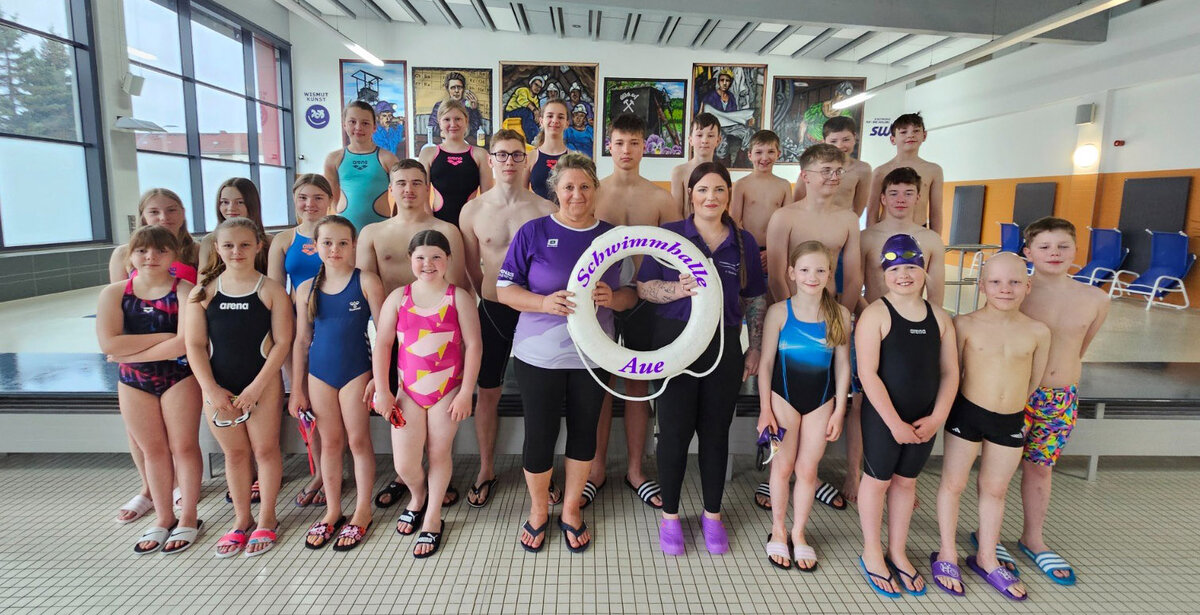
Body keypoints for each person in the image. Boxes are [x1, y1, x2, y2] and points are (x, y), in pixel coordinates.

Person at [497, 153, 637, 553]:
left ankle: (572, 509)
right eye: (569, 187)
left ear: (596, 190)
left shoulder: (614, 237)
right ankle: (539, 509)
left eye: (585, 186)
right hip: (538, 355)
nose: (577, 194)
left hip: (592, 356)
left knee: (584, 433)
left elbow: (631, 293)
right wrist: (542, 303)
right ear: (555, 191)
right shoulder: (534, 231)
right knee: (540, 434)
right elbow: (504, 290)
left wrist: (614, 298)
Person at [638, 161, 766, 556]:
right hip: (674, 342)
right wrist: (676, 290)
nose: (711, 197)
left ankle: (713, 515)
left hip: (722, 345)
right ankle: (670, 517)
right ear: (690, 195)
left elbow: (754, 298)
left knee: (715, 433)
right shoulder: (670, 236)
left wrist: (755, 346)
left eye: (719, 190)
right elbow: (643, 287)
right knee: (673, 433)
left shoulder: (742, 242)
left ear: (729, 196)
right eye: (703, 190)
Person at [932, 252, 1049, 599]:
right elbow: (951, 372)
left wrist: (1010, 405)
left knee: (996, 490)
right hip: (966, 414)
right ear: (982, 286)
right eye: (996, 282)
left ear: (1028, 287)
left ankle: (987, 556)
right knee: (953, 484)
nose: (1005, 289)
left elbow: (1034, 379)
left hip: (1010, 419)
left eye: (1014, 282)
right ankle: (947, 552)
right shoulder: (964, 324)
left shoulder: (1038, 331)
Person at [358, 159, 470, 509]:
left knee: (438, 422)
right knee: (400, 417)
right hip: (392, 335)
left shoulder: (447, 230)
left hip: (439, 338)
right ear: (390, 189)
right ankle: (406, 478)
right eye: (401, 183)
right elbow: (365, 287)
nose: (408, 189)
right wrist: (380, 369)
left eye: (416, 182)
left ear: (428, 187)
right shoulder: (372, 233)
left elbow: (460, 286)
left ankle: (436, 480)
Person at [854, 234, 958, 597]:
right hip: (885, 418)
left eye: (912, 267)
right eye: (895, 269)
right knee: (877, 481)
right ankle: (871, 550)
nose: (904, 275)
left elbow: (951, 373)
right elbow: (867, 374)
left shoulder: (940, 318)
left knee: (906, 483)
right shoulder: (876, 314)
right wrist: (894, 423)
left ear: (924, 271)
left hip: (924, 419)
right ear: (883, 274)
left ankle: (897, 550)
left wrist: (938, 417)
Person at [185, 217, 293, 558]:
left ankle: (267, 517)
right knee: (234, 454)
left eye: (245, 244)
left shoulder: (271, 290)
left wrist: (257, 387)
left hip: (262, 384)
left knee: (265, 450)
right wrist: (211, 389)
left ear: (258, 246)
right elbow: (194, 346)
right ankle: (242, 519)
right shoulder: (203, 293)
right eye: (229, 245)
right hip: (218, 385)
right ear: (217, 248)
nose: (237, 251)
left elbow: (283, 342)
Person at [458, 129, 555, 508]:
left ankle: (543, 471)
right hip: (493, 309)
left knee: (540, 394)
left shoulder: (546, 210)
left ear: (527, 160)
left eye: (517, 155)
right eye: (501, 154)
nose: (509, 161)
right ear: (490, 160)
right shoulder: (473, 211)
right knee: (488, 391)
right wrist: (488, 295)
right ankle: (486, 468)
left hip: (535, 310)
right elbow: (470, 268)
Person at [590, 113, 680, 510]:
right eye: (619, 143)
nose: (626, 150)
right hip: (603, 299)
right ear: (609, 146)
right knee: (601, 385)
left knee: (639, 386)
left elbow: (676, 255)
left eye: (634, 143)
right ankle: (596, 468)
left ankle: (635, 470)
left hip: (646, 301)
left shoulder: (661, 198)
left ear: (646, 147)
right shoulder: (593, 193)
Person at [374, 230, 482, 558]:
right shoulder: (398, 298)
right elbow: (383, 345)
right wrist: (383, 390)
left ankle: (432, 515)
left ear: (448, 259)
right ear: (410, 260)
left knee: (438, 453)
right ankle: (418, 495)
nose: (428, 263)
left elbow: (474, 346)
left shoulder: (458, 298)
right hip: (407, 393)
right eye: (420, 257)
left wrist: (466, 393)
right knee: (405, 463)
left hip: (447, 391)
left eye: (436, 256)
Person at [1014, 216, 1109, 585]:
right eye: (1044, 247)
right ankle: (988, 537)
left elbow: (1079, 349)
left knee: (1040, 468)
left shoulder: (1096, 299)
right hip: (1015, 394)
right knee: (996, 470)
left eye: (1062, 246)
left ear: (1075, 250)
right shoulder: (1015, 292)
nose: (1054, 253)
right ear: (1028, 252)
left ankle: (1033, 537)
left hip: (1060, 399)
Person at [97, 226, 202, 554]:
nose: (151, 257)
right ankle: (164, 517)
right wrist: (163, 339)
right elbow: (109, 344)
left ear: (174, 256)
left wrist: (130, 353)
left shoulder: (185, 291)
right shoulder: (114, 294)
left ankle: (189, 515)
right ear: (130, 255)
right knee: (152, 450)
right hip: (134, 383)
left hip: (179, 376)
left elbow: (183, 344)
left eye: (160, 250)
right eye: (142, 250)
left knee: (184, 447)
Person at [844, 167, 946, 504]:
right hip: (872, 325)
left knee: (913, 397)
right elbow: (854, 284)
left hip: (916, 332)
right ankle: (855, 472)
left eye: (908, 193)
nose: (901, 199)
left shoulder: (931, 240)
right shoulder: (867, 237)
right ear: (883, 199)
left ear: (919, 197)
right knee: (861, 402)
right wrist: (875, 317)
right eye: (893, 193)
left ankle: (903, 477)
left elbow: (937, 295)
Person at [290, 215, 385, 552]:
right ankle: (332, 511)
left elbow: (384, 335)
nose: (335, 249)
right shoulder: (306, 288)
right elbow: (302, 341)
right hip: (319, 374)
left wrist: (379, 378)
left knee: (358, 441)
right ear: (315, 246)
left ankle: (362, 510)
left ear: (353, 245)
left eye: (343, 243)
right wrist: (297, 388)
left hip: (356, 371)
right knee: (330, 443)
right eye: (327, 243)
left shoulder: (367, 281)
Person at [757, 241, 851, 571]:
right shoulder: (779, 312)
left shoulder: (840, 315)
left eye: (820, 270)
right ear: (792, 273)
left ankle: (799, 532)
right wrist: (765, 409)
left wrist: (839, 409)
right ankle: (778, 529)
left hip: (821, 402)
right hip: (783, 400)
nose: (812, 276)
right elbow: (766, 364)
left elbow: (843, 365)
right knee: (782, 468)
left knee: (808, 470)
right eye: (805, 270)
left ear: (829, 274)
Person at [267, 174, 334, 508]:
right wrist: (280, 336)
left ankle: (332, 470)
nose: (310, 204)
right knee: (306, 402)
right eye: (303, 198)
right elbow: (275, 293)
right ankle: (320, 472)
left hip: (334, 325)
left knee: (331, 404)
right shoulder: (283, 240)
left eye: (318, 197)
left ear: (330, 200)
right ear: (294, 200)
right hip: (297, 328)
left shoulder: (340, 233)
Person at [765, 143, 862, 312]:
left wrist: (842, 316)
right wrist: (790, 315)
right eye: (826, 171)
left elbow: (853, 279)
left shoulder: (849, 219)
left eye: (838, 171)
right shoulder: (783, 217)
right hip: (789, 310)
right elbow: (776, 277)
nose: (834, 177)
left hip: (828, 309)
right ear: (805, 176)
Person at [324, 100, 402, 232]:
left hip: (380, 229)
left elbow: (400, 193)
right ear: (344, 125)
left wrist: (395, 220)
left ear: (374, 127)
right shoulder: (334, 159)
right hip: (345, 230)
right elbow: (331, 195)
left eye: (365, 123)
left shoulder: (388, 159)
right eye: (352, 122)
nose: (358, 127)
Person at [419, 99, 492, 228]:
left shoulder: (480, 154)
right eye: (447, 119)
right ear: (439, 122)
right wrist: (430, 224)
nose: (453, 124)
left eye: (458, 119)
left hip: (471, 224)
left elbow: (487, 198)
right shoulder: (428, 154)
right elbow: (423, 196)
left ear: (466, 121)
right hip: (438, 222)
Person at [866, 113, 944, 233]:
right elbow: (872, 212)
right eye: (903, 132)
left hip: (919, 232)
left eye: (916, 131)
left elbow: (936, 211)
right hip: (886, 232)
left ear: (924, 135)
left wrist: (936, 239)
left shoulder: (934, 170)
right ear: (893, 139)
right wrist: (872, 237)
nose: (910, 135)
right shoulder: (880, 171)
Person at [731, 130, 791, 271]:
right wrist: (748, 248)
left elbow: (787, 223)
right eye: (758, 152)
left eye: (771, 152)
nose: (765, 157)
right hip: (748, 249)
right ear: (750, 155)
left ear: (778, 154)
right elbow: (734, 222)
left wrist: (773, 250)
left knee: (773, 284)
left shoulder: (784, 185)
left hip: (775, 249)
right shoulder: (741, 185)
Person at [792, 115, 873, 218]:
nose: (840, 145)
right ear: (824, 141)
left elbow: (858, 210)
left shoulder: (862, 169)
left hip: (842, 223)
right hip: (810, 221)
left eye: (846, 140)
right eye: (833, 141)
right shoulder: (812, 166)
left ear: (855, 137)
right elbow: (797, 200)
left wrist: (847, 224)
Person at [197, 177, 271, 276]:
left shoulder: (271, 242)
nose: (231, 208)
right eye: (225, 202)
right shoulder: (209, 241)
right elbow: (202, 282)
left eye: (240, 202)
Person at [669, 113, 721, 217]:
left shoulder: (722, 173)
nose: (705, 140)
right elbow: (676, 213)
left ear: (718, 140)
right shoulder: (679, 172)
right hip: (686, 227)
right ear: (690, 140)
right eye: (699, 135)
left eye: (710, 136)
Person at [526, 100, 570, 201]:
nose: (555, 120)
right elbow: (521, 197)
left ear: (567, 123)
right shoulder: (531, 157)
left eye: (560, 117)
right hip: (537, 210)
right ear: (541, 121)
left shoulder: (573, 158)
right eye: (550, 116)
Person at [428, 71, 484, 144]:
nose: (456, 91)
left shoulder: (469, 106)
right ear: (447, 89)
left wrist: (474, 110)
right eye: (453, 88)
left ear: (463, 89)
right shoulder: (439, 106)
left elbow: (477, 130)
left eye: (459, 87)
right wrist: (442, 132)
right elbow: (431, 128)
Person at [503, 74, 544, 142]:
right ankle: (532, 138)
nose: (537, 88)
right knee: (527, 112)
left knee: (534, 117)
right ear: (531, 84)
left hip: (523, 115)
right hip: (510, 113)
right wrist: (534, 110)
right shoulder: (523, 90)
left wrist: (538, 116)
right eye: (536, 85)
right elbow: (522, 101)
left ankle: (537, 137)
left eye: (540, 87)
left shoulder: (536, 99)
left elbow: (536, 111)